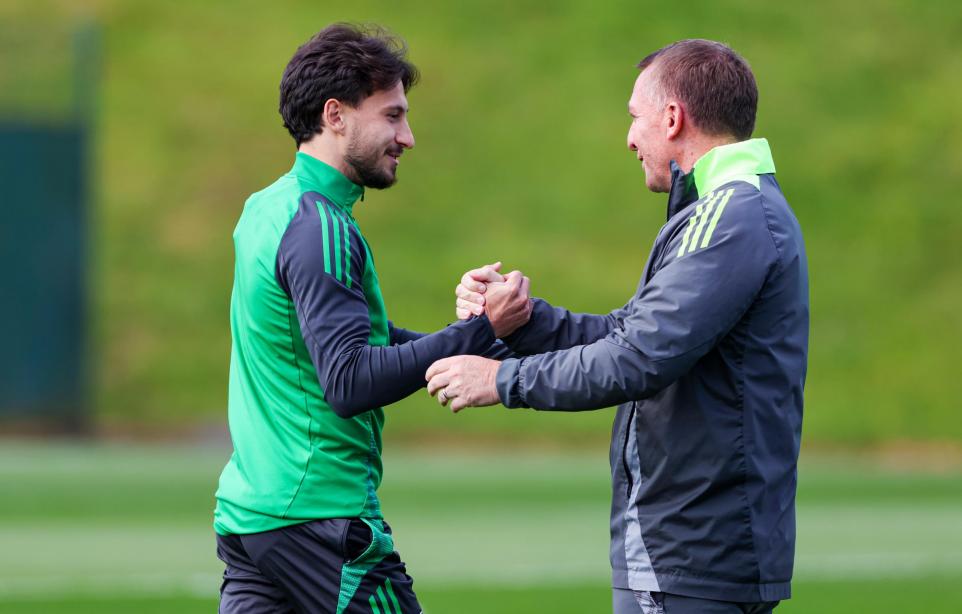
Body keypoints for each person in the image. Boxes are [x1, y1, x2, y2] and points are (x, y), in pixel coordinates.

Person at [428, 39, 809, 614]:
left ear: (673, 118)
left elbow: (637, 358)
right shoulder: (722, 211)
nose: (630, 138)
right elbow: (628, 333)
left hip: (694, 551)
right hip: (695, 549)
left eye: (635, 117)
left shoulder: (732, 214)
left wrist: (500, 380)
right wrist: (523, 322)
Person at [212, 23, 531, 614]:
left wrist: (487, 341)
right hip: (319, 520)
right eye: (392, 116)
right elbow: (350, 380)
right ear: (335, 115)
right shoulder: (322, 226)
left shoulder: (268, 207)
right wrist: (482, 329)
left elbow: (354, 344)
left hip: (252, 517)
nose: (408, 136)